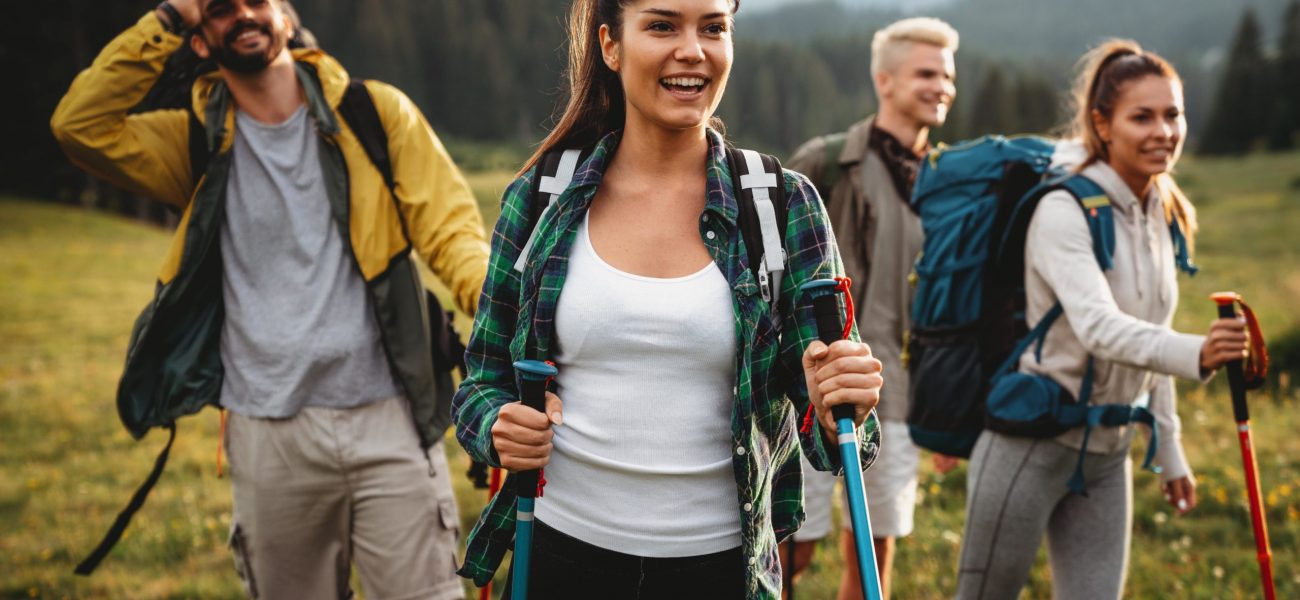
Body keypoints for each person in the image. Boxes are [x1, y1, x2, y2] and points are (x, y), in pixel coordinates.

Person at [50, 1, 488, 598]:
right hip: (267, 436)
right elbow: (79, 126)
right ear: (201, 40)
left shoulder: (374, 113)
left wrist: (503, 307)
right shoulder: (195, 142)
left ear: (284, 13)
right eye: (221, 9)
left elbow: (453, 234)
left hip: (390, 421)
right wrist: (170, 18)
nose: (243, 14)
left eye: (256, 0)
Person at [450, 0, 884, 598]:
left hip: (723, 570)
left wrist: (846, 401)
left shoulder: (781, 205)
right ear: (610, 46)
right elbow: (480, 384)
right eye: (662, 25)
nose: (692, 50)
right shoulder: (542, 196)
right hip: (561, 556)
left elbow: (837, 432)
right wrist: (497, 425)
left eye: (713, 28)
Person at [953, 40, 1250, 600]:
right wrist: (1199, 353)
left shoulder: (1160, 210)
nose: (1163, 131)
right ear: (1102, 124)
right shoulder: (1061, 210)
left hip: (1108, 455)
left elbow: (1148, 338)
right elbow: (1099, 328)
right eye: (1142, 117)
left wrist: (1171, 448)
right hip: (1030, 444)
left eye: (1173, 114)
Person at [781, 17, 959, 600]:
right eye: (926, 73)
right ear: (885, 80)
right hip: (815, 391)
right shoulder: (827, 163)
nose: (942, 87)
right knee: (791, 545)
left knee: (874, 546)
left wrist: (950, 409)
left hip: (901, 394)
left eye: (949, 75)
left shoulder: (950, 181)